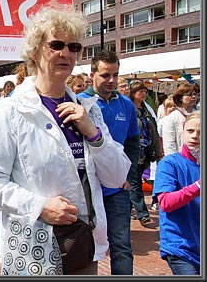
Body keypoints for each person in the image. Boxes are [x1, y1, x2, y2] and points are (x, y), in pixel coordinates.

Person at [0, 1, 131, 276]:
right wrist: (40, 207)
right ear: (35, 51)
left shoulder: (90, 111)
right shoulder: (11, 110)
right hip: (34, 252)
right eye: (56, 45)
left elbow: (117, 177)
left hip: (81, 246)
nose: (66, 53)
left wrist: (93, 134)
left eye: (73, 47)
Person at [78, 50, 140, 274]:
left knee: (122, 246)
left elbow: (133, 145)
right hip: (88, 190)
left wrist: (127, 177)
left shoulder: (127, 105)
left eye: (115, 75)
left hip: (117, 190)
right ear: (92, 74)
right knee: (83, 247)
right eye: (105, 75)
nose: (111, 80)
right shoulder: (79, 103)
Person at [152, 111, 200, 275]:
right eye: (190, 131)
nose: (195, 136)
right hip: (180, 247)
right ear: (183, 131)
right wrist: (198, 186)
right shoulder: (170, 163)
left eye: (200, 132)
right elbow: (166, 203)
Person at [129, 80, 162, 226]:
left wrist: (156, 150)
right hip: (133, 151)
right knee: (135, 183)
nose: (143, 93)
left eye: (144, 91)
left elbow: (153, 131)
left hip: (146, 151)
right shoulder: (130, 109)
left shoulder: (146, 110)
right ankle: (143, 214)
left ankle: (127, 210)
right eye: (139, 91)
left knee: (135, 181)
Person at [161, 83, 198, 155]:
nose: (193, 97)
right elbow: (169, 145)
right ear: (180, 98)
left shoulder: (199, 115)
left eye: (195, 94)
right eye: (189, 95)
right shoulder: (172, 118)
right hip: (180, 160)